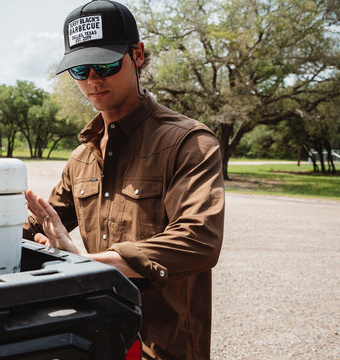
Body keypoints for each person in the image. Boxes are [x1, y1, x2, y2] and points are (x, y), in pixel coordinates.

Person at [23, 0, 225, 359]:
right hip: (97, 341)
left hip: (164, 347)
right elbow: (39, 225)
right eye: (80, 70)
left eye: (106, 64)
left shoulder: (188, 142)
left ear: (139, 54)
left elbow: (199, 240)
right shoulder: (81, 157)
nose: (93, 80)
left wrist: (86, 265)